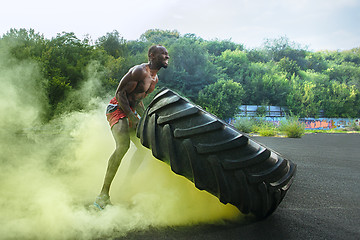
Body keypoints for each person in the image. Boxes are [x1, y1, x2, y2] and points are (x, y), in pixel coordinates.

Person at [94, 45, 170, 209]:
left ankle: (126, 184)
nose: (166, 56)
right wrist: (131, 116)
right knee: (123, 146)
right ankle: (103, 195)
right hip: (117, 108)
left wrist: (145, 117)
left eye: (167, 54)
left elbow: (138, 99)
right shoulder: (139, 71)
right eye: (163, 54)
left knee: (143, 149)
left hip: (132, 111)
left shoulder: (155, 79)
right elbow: (120, 93)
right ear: (152, 55)